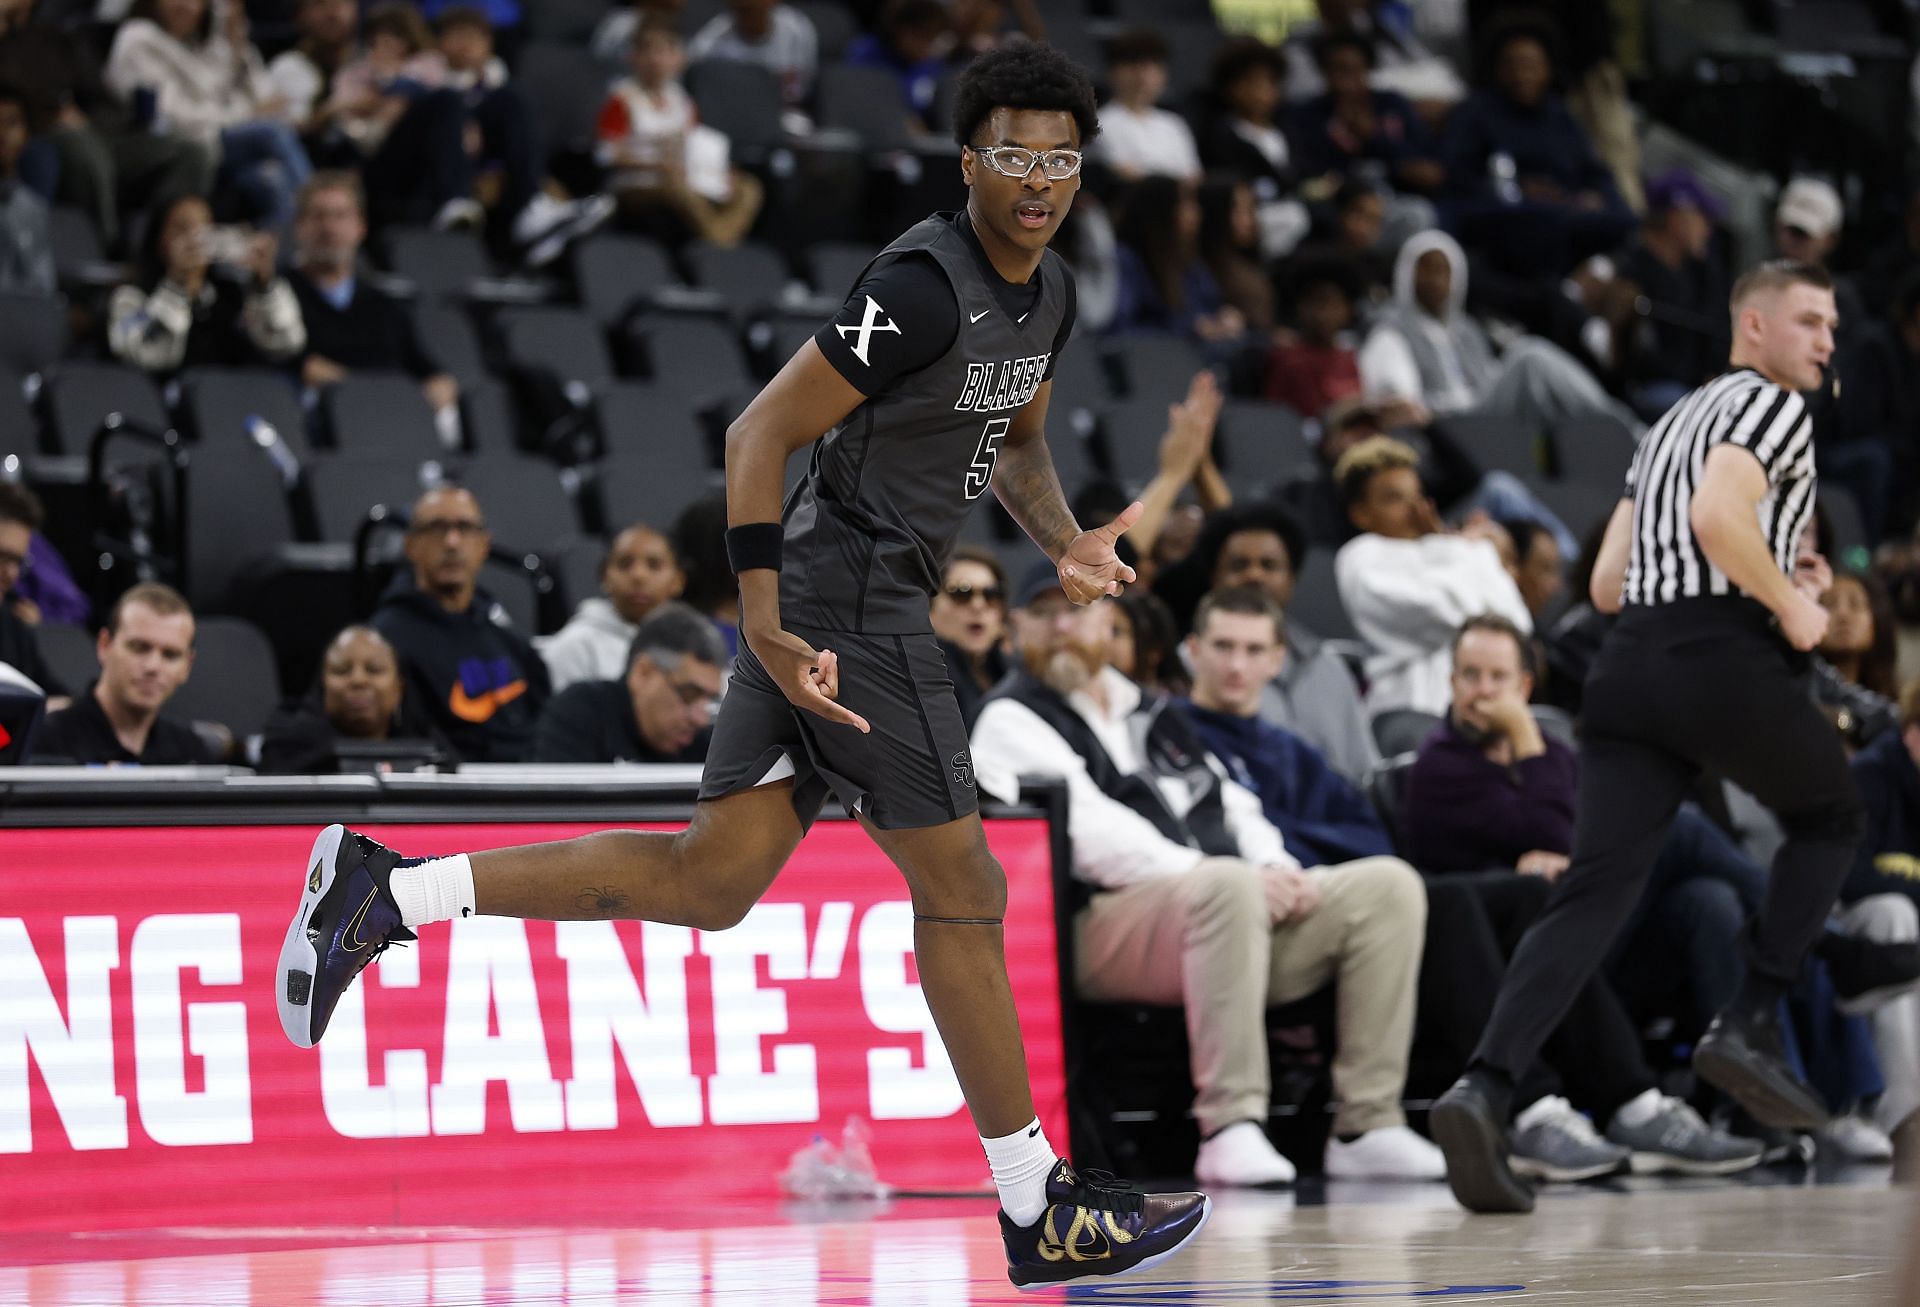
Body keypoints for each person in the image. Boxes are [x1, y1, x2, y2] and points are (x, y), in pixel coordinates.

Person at [273, 45, 1211, 1290]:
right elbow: (760, 429)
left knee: (712, 881)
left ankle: (389, 894)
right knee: (966, 885)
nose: (1037, 182)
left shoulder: (1047, 298)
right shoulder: (921, 284)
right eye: (1012, 157)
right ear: (967, 160)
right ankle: (1037, 1198)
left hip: (846, 604)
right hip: (849, 608)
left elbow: (1019, 440)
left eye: (1059, 160)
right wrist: (763, 615)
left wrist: (1066, 543)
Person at [1428, 260, 1871, 1214]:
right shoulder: (1772, 404)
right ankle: (1751, 1015)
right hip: (1715, 656)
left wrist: (1773, 564)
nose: (1826, 342)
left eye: (1832, 326)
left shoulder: (1668, 424)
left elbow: (1606, 584)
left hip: (1627, 668)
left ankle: (1487, 1085)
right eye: (1807, 321)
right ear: (1751, 324)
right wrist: (1791, 601)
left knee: (1592, 893)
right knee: (1831, 814)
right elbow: (1717, 518)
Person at [1182, 587, 1762, 1179]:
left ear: (1278, 660)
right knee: (1465, 896)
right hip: (1280, 904)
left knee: (1563, 896)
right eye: (1224, 647)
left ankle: (1634, 1103)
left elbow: (1364, 835)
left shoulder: (1293, 750)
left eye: (1253, 649)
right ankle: (1530, 1105)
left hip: (1354, 899)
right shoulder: (1180, 736)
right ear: (1191, 651)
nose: (1236, 664)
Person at [970, 567, 1442, 1187]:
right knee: (1228, 885)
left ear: (1107, 621)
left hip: (1220, 910)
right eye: (1043, 613)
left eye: (1076, 610)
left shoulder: (1154, 710)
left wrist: (1276, 867)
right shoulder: (1009, 718)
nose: (1062, 627)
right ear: (1015, 629)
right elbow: (1095, 840)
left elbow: (1234, 803)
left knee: (1388, 886)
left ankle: (1365, 1125)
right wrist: (1229, 876)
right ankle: (1228, 1126)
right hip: (1098, 926)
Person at [1155, 501, 1378, 783]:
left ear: (1292, 579)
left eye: (1269, 565)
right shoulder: (1191, 665)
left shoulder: (1330, 667)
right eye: (1239, 565)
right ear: (1214, 577)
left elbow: (1366, 775)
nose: (1254, 575)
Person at [1357, 229, 1638, 436]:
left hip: (1484, 418)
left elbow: (1488, 381)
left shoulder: (1466, 330)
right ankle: (1626, 429)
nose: (1435, 281)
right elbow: (1403, 402)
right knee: (1530, 357)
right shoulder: (1391, 329)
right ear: (1406, 274)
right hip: (1446, 426)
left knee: (1541, 389)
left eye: (1443, 272)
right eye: (1425, 270)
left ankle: (1611, 433)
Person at [1332, 435, 1532, 717]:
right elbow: (1437, 612)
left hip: (1486, 705)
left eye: (1416, 496)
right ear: (1360, 513)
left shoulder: (1448, 548)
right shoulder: (1359, 557)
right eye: (1394, 498)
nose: (1414, 510)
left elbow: (1516, 623)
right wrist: (1470, 561)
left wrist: (1449, 546)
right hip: (1407, 708)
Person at [0, 0, 214, 253]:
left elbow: (93, 84)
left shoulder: (52, 32)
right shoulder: (7, 39)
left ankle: (156, 252)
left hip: (106, 126)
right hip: (52, 128)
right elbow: (13, 95)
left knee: (193, 152)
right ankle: (111, 250)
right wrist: (52, 110)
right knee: (86, 151)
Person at [370, 485, 550, 762]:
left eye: (464, 528)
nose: (452, 542)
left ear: (484, 546)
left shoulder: (507, 639)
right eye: (436, 528)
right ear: (411, 546)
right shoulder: (386, 641)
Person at [103, 0, 314, 231]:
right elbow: (170, 114)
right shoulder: (139, 38)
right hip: (170, 145)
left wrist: (239, 48)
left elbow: (262, 99)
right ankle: (318, 208)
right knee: (272, 134)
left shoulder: (201, 46)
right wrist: (246, 114)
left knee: (270, 181)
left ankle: (285, 253)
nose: (186, 6)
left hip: (217, 142)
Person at [285, 172, 462, 435]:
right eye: (319, 216)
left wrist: (438, 388)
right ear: (299, 227)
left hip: (397, 422)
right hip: (328, 424)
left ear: (361, 228)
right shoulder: (279, 294)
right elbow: (302, 367)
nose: (329, 228)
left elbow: (432, 372)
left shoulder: (385, 305)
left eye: (340, 216)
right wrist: (374, 394)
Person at [596, 14, 763, 247]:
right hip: (638, 182)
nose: (656, 60)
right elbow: (606, 154)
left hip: (681, 177)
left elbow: (695, 146)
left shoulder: (683, 102)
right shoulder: (622, 99)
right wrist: (655, 165)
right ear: (634, 57)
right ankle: (718, 245)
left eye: (665, 51)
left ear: (679, 58)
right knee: (677, 185)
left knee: (748, 187)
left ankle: (721, 238)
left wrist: (723, 172)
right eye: (648, 51)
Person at [105, 191, 306, 375]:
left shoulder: (230, 295)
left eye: (205, 229)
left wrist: (265, 286)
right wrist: (176, 287)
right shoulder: (130, 296)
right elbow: (142, 358)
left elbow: (287, 345)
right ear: (158, 238)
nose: (196, 240)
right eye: (182, 229)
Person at [30, 582, 217, 764]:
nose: (153, 666)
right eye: (139, 647)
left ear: (188, 666)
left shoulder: (190, 754)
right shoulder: (43, 740)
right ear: (104, 645)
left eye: (170, 655)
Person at [533, 601, 721, 763]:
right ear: (643, 673)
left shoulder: (704, 744)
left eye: (709, 700)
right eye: (689, 695)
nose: (700, 719)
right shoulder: (577, 716)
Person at [257, 624, 450, 773]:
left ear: (399, 688)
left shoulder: (432, 751)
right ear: (322, 685)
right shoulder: (286, 748)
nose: (358, 680)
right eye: (341, 670)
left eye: (374, 670)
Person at [537, 523, 684, 693]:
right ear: (604, 577)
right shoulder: (574, 646)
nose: (638, 576)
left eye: (654, 565)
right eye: (624, 564)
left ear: (678, 581)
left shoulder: (694, 642)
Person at [1096, 28, 1201, 184]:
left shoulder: (1174, 124)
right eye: (1133, 66)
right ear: (1112, 72)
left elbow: (1194, 176)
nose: (1142, 77)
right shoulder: (1100, 122)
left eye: (1152, 67)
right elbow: (1122, 172)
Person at [687, 0, 819, 113]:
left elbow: (805, 83)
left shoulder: (796, 29)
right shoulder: (713, 41)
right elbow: (691, 73)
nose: (749, 14)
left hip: (786, 112)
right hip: (735, 114)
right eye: (743, 9)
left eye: (753, 7)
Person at [931, 545, 1010, 729]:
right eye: (961, 593)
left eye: (991, 595)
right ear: (929, 607)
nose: (978, 605)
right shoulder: (923, 679)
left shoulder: (1012, 673)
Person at [0, 481, 57, 697]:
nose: (11, 574)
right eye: (2, 556)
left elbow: (53, 696)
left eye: (18, 563)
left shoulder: (12, 627)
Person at [0, 84, 52, 294]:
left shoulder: (33, 208)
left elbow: (44, 286)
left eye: (11, 123)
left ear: (27, 133)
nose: (1, 133)